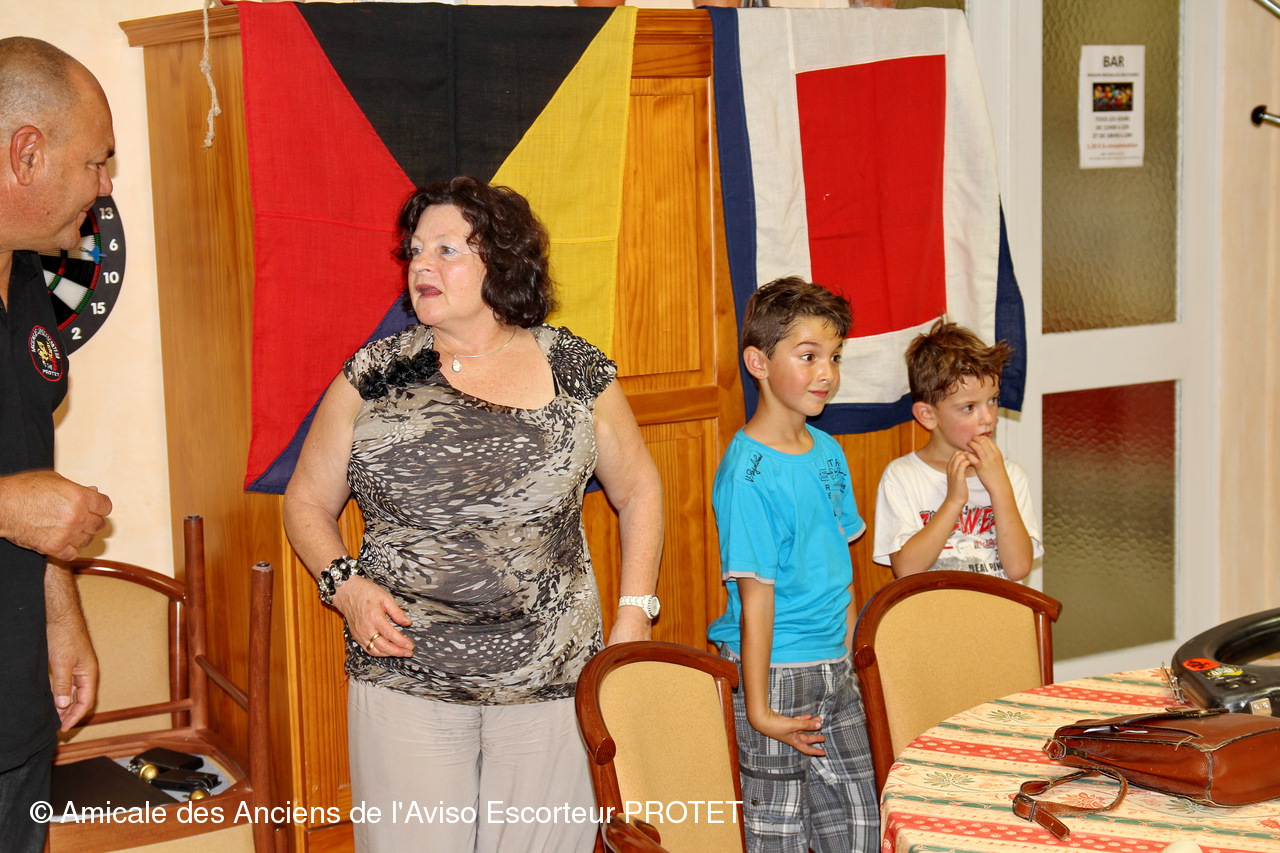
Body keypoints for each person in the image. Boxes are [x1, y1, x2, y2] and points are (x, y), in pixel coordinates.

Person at [283, 175, 663, 853]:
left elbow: (639, 490)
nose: (421, 265)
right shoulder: (375, 374)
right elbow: (306, 501)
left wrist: (634, 612)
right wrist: (345, 587)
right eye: (414, 250)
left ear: (503, 262)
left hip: (553, 681)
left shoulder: (574, 368)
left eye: (446, 249)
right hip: (407, 676)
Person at [707, 277, 878, 853]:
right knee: (777, 832)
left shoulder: (828, 452)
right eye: (808, 356)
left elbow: (840, 566)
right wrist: (759, 711)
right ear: (758, 362)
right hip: (775, 675)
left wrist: (850, 657)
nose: (826, 373)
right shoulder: (747, 474)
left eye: (834, 357)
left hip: (835, 669)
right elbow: (756, 599)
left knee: (858, 822)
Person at [0, 36, 115, 853]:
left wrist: (60, 601)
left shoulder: (29, 278)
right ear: (27, 152)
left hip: (16, 719)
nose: (104, 188)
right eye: (96, 163)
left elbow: (23, 461)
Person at [873, 319, 1041, 580]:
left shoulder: (1010, 475)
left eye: (993, 400)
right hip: (933, 608)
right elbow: (906, 571)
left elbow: (1018, 568)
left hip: (996, 607)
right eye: (969, 407)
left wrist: (1000, 488)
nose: (988, 418)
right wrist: (954, 501)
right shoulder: (903, 476)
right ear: (928, 415)